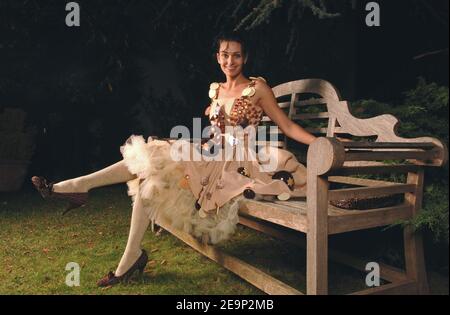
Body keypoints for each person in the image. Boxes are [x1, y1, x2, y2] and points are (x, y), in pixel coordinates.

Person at [31, 32, 317, 287]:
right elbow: (213, 134)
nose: (231, 61)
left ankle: (80, 188)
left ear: (246, 58)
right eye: (225, 55)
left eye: (237, 55)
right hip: (211, 153)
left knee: (155, 158)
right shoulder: (216, 89)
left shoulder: (257, 89)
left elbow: (287, 126)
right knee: (151, 171)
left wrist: (320, 142)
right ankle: (126, 253)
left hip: (237, 162)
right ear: (218, 57)